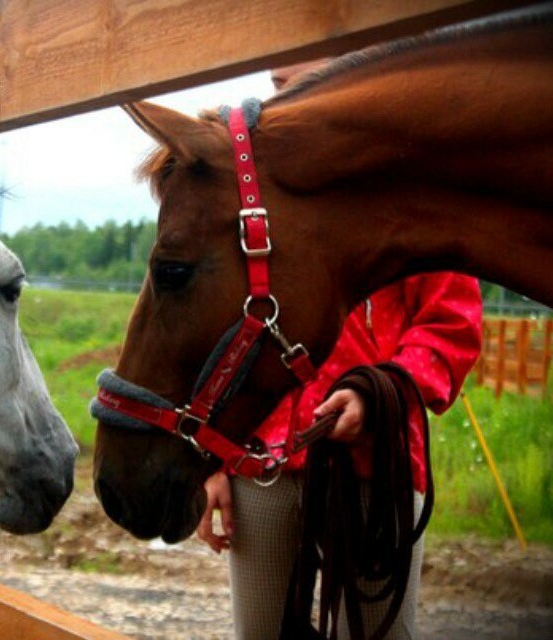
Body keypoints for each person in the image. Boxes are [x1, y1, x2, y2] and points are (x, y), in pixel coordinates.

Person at [196, 61, 484, 640]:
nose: (290, 102)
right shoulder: (254, 193)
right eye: (280, 88)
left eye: (309, 83)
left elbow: (451, 320)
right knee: (259, 633)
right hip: (261, 463)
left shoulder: (414, 186)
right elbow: (227, 330)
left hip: (375, 460)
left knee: (379, 634)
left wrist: (380, 391)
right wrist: (212, 456)